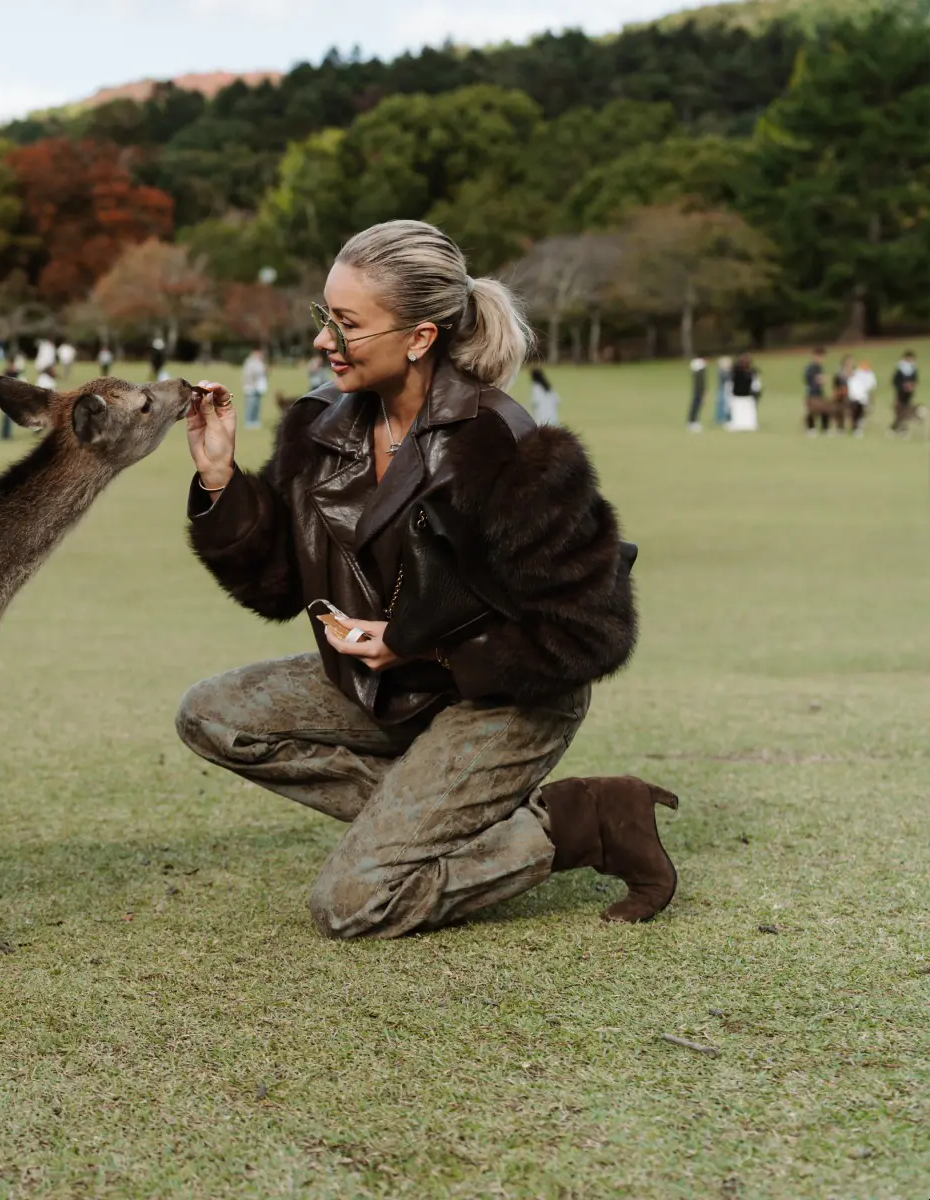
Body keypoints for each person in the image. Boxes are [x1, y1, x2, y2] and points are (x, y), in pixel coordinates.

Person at [176, 219, 675, 941]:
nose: (323, 342)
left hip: (505, 698)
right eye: (325, 317)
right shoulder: (316, 427)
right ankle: (428, 818)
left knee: (352, 903)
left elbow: (590, 633)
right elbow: (278, 587)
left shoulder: (509, 450)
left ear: (419, 338)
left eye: (346, 324)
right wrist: (220, 478)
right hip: (387, 688)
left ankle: (576, 824)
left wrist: (419, 649)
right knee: (211, 713)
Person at [725, 353, 761, 432]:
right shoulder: (735, 372)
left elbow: (755, 385)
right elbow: (730, 384)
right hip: (738, 395)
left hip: (746, 395)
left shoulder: (751, 372)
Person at [0, 352, 27, 441]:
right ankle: (5, 435)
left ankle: (6, 434)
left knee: (9, 418)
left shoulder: (15, 373)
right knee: (6, 418)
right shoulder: (8, 373)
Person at [803, 347, 830, 436]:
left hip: (819, 393)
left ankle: (825, 429)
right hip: (812, 393)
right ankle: (810, 428)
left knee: (826, 409)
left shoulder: (819, 367)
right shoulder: (810, 368)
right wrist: (820, 379)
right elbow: (810, 380)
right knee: (812, 411)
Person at [892, 350, 919, 435]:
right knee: (899, 412)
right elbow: (895, 381)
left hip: (909, 395)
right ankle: (894, 428)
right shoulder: (900, 370)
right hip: (900, 394)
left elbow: (915, 381)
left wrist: (912, 386)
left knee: (907, 412)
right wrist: (903, 387)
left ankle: (904, 429)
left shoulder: (913, 370)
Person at [847, 359, 877, 436]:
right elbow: (852, 386)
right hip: (854, 397)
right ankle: (856, 428)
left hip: (863, 398)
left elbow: (871, 387)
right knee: (855, 413)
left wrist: (871, 400)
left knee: (860, 413)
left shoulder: (870, 375)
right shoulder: (856, 374)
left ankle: (858, 428)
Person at [240, 348, 268, 429]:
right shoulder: (251, 362)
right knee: (250, 405)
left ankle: (255, 421)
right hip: (251, 387)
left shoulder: (259, 362)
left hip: (258, 387)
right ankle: (248, 421)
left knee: (256, 405)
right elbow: (252, 373)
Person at [687, 357, 707, 431]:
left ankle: (693, 421)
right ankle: (692, 422)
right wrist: (703, 393)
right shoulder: (699, 375)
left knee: (696, 407)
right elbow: (701, 385)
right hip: (698, 393)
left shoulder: (698, 374)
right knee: (695, 407)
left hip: (698, 393)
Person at [714, 355, 733, 426]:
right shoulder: (723, 372)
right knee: (721, 404)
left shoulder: (727, 371)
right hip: (722, 390)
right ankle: (720, 418)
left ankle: (726, 417)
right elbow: (726, 378)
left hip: (727, 390)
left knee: (726, 404)